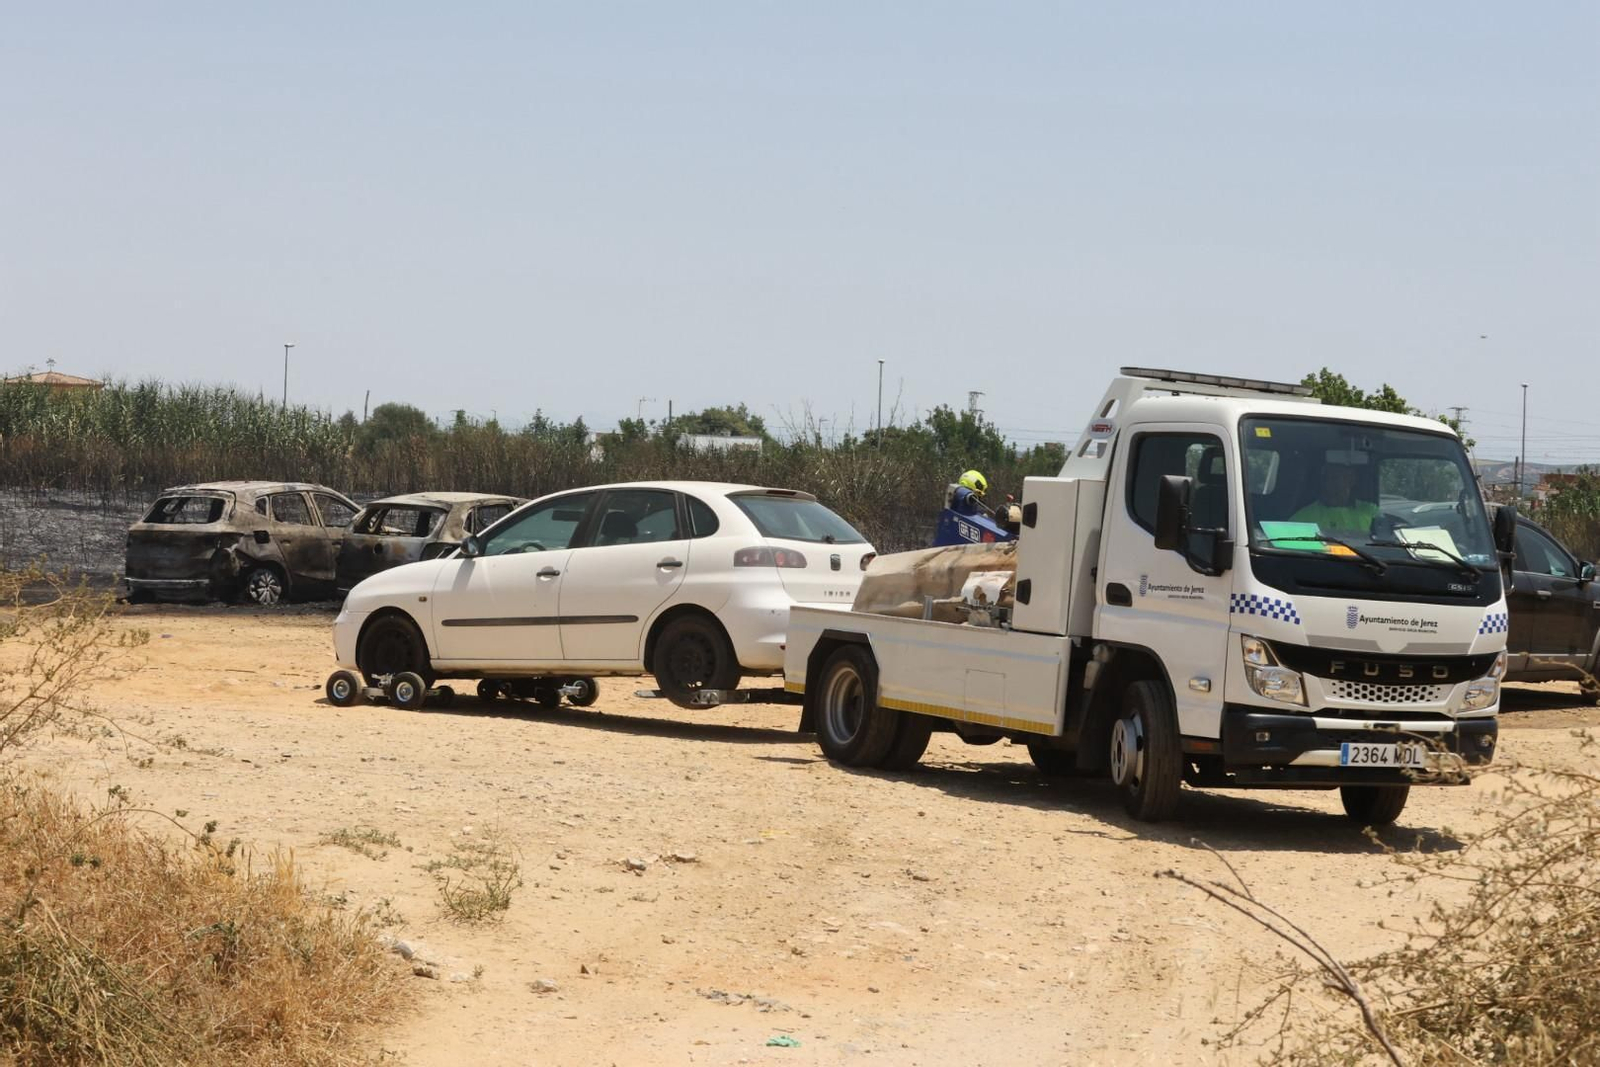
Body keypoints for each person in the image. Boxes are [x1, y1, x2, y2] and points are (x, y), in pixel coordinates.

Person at [1292, 463, 1378, 534]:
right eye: (1325, 479)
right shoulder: (1302, 518)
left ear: (1351, 480)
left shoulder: (1370, 512)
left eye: (1335, 478)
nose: (1328, 485)